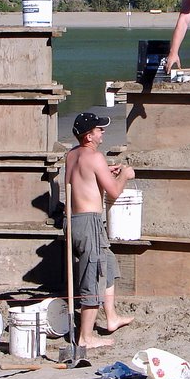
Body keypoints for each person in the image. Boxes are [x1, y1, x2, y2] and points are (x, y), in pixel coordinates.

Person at [64, 112, 135, 348]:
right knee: (93, 275)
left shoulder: (71, 155)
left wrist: (107, 171)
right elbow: (114, 192)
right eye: (99, 129)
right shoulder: (94, 157)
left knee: (108, 262)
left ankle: (111, 317)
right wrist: (124, 175)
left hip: (72, 220)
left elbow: (86, 180)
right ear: (88, 136)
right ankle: (85, 337)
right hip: (89, 222)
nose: (103, 132)